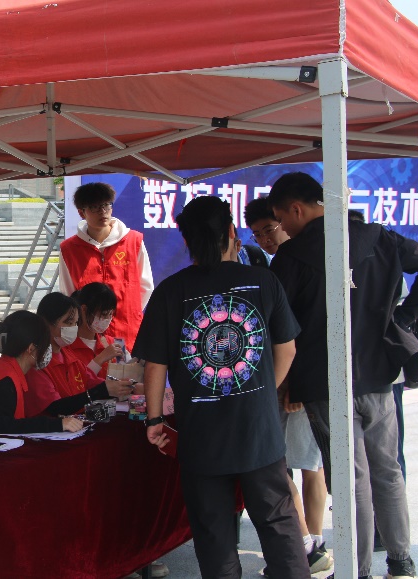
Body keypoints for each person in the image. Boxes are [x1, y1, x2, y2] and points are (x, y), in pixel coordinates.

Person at [268, 172, 418, 579]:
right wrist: (401, 318)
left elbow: (279, 325)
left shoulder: (291, 257)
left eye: (281, 219)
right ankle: (401, 562)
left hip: (323, 381)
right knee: (387, 470)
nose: (283, 228)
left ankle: (357, 569)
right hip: (379, 374)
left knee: (352, 478)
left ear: (296, 209)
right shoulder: (379, 237)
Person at [133, 195, 309, 579]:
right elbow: (288, 349)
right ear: (231, 231)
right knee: (278, 525)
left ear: (187, 241)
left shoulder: (170, 291)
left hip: (202, 436)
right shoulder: (263, 280)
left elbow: (155, 365)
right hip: (259, 431)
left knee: (214, 535)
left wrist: (154, 420)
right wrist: (264, 393)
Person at [244, 197, 332, 574]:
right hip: (285, 381)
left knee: (303, 464)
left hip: (297, 383)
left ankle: (311, 545)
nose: (266, 238)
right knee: (289, 466)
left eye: (270, 228)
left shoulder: (297, 262)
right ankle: (308, 545)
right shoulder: (271, 266)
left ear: (287, 219)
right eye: (258, 233)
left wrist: (293, 384)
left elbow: (300, 334)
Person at [0, 310, 83, 446]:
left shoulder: (2, 367)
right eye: (44, 345)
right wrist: (57, 424)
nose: (47, 350)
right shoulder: (5, 380)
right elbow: (0, 427)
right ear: (31, 348)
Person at [59, 182, 154, 350]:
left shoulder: (133, 241)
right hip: (88, 337)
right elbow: (68, 292)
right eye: (95, 207)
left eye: (106, 205)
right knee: (94, 368)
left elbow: (146, 286)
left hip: (128, 332)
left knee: (128, 367)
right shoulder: (69, 249)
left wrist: (129, 314)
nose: (103, 211)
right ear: (81, 212)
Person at [25, 292, 137, 417]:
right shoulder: (36, 361)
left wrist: (123, 387)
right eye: (68, 323)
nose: (73, 328)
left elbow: (91, 381)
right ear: (46, 323)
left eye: (75, 323)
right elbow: (55, 407)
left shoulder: (68, 355)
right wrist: (97, 392)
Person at [64, 282, 124, 379]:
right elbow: (76, 383)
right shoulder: (66, 348)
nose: (107, 319)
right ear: (84, 309)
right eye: (104, 314)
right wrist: (100, 359)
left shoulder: (114, 343)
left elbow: (129, 376)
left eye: (110, 314)